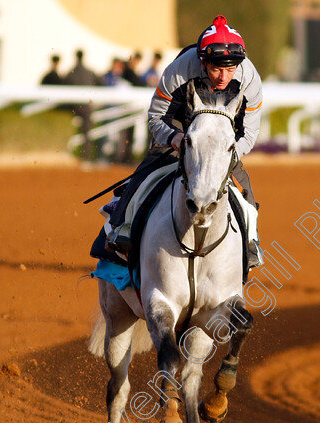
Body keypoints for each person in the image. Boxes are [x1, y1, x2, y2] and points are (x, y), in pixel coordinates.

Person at [105, 14, 264, 268]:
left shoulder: (249, 77)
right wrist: (174, 137)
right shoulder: (178, 71)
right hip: (179, 123)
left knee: (240, 180)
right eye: (216, 69)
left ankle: (250, 240)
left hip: (223, 132)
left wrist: (228, 155)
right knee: (153, 165)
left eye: (230, 69)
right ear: (203, 62)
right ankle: (123, 225)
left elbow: (250, 131)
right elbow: (157, 116)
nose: (223, 77)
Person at [65, 50, 101, 161]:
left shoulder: (71, 72)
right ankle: (86, 157)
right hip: (85, 107)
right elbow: (100, 81)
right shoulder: (89, 72)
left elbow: (65, 84)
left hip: (73, 107)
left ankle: (71, 154)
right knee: (87, 133)